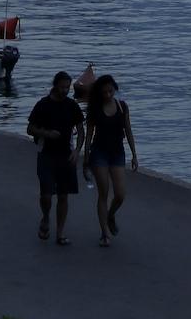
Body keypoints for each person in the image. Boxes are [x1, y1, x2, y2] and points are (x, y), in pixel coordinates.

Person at [27, 71, 85, 245]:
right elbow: (30, 129)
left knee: (63, 195)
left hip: (66, 155)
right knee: (46, 194)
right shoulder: (43, 105)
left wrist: (77, 151)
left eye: (67, 87)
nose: (64, 91)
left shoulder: (72, 105)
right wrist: (46, 133)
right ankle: (45, 217)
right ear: (55, 85)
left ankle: (60, 233)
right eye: (61, 87)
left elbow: (81, 131)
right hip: (46, 154)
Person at [83, 74, 138, 247]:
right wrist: (86, 160)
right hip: (99, 153)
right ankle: (104, 233)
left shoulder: (122, 107)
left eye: (110, 91)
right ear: (99, 93)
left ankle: (110, 215)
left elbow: (128, 130)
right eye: (104, 92)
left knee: (120, 194)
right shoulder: (95, 109)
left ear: (115, 89)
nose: (108, 95)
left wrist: (134, 154)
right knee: (103, 193)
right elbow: (89, 135)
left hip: (117, 153)